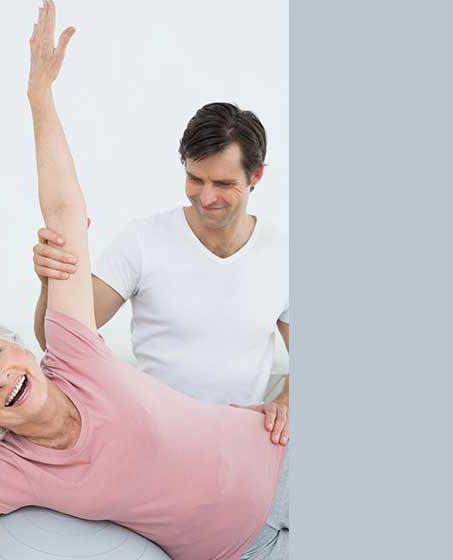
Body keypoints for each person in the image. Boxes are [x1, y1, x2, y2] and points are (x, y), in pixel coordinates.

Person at [0, 3, 288, 559]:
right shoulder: (11, 474)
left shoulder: (74, 353)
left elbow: (63, 211)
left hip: (282, 461)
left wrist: (40, 95)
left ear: (17, 347)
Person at [31, 102, 290, 445]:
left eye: (223, 183)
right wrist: (50, 280)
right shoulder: (143, 241)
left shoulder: (284, 256)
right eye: (195, 179)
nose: (207, 196)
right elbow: (56, 341)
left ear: (255, 175)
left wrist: (284, 404)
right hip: (154, 441)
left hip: (239, 445)